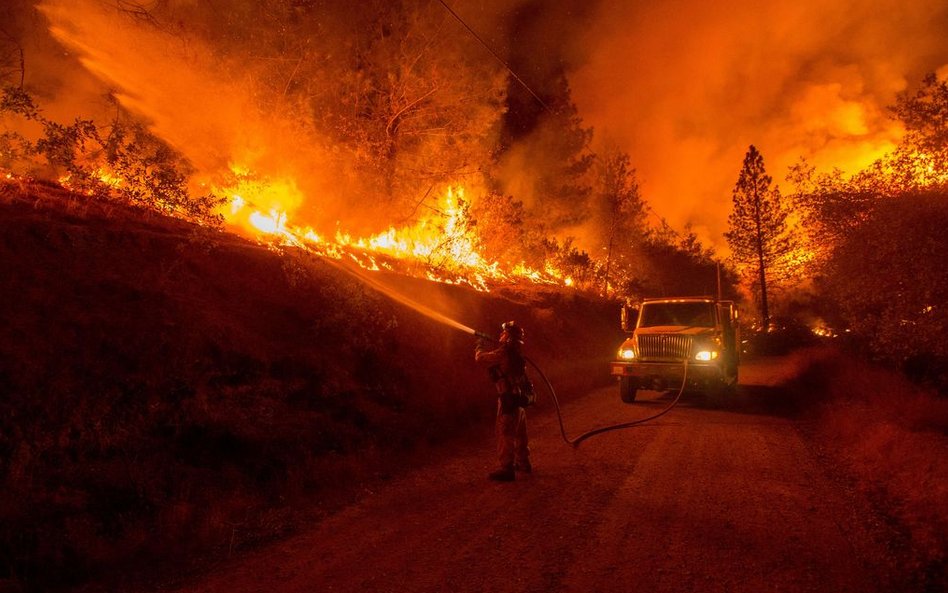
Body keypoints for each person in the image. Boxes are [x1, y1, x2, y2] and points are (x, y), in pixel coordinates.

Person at [475, 321, 533, 482]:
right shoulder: (517, 354)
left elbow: (480, 359)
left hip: (507, 399)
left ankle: (506, 468)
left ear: (509, 337)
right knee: (520, 434)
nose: (501, 335)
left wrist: (479, 345)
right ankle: (523, 463)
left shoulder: (504, 352)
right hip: (518, 400)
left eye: (504, 333)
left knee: (505, 433)